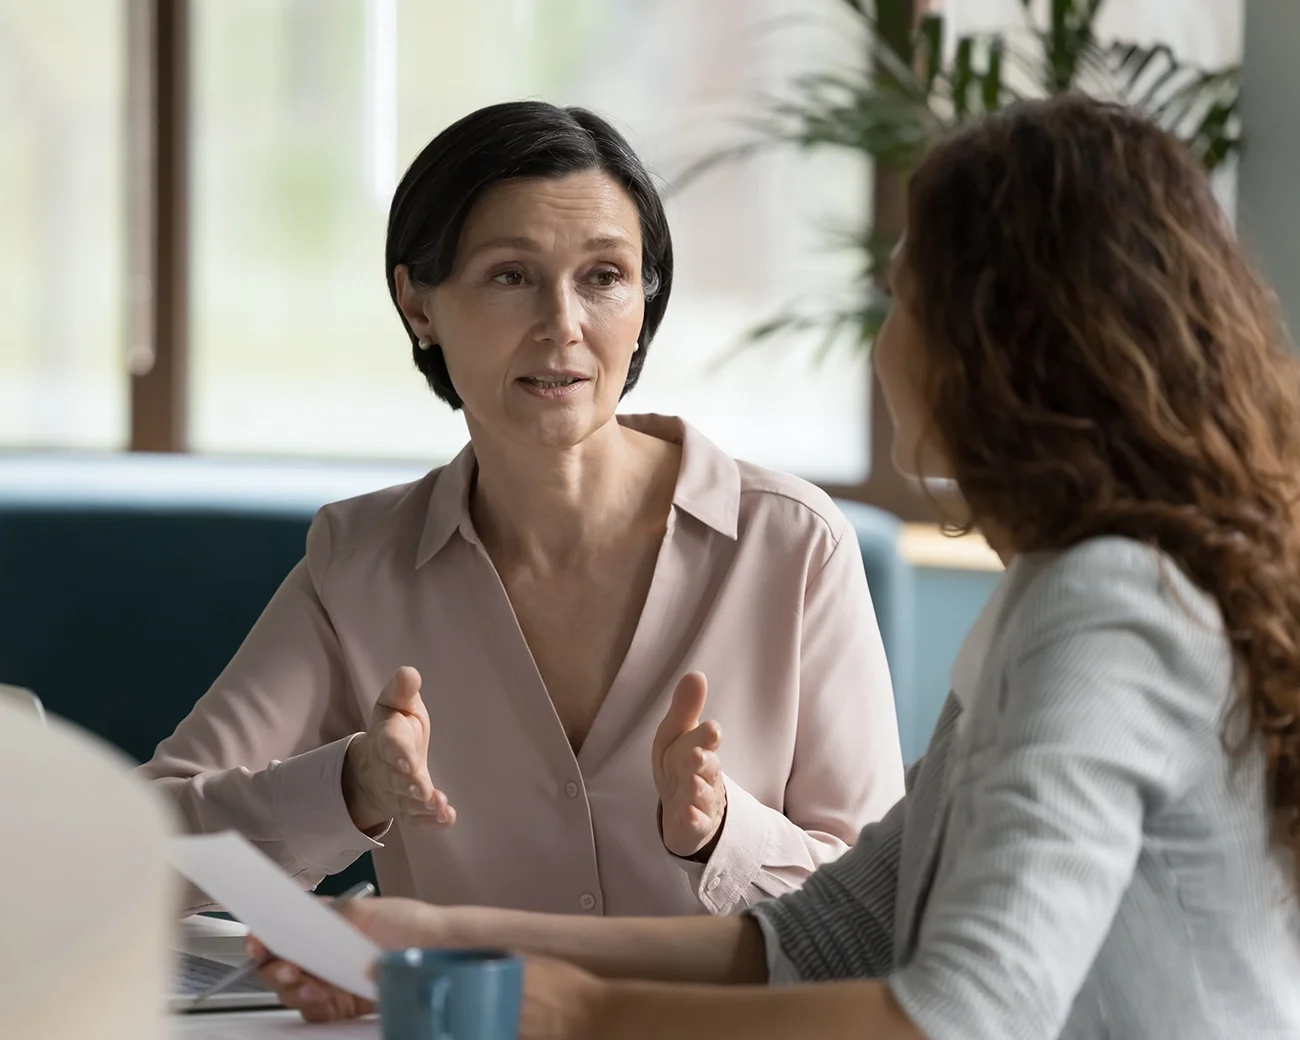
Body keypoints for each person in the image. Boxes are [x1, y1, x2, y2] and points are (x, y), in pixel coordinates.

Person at [255, 95, 1300, 1039]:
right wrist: (443, 933)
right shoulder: (1057, 588)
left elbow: (966, 1012)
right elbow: (829, 931)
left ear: (997, 343)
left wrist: (580, 1009)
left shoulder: (1105, 604)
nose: (883, 349)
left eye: (902, 302)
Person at [141, 101, 904, 919]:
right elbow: (147, 849)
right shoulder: (359, 562)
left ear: (644, 301)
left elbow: (881, 915)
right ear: (419, 304)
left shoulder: (793, 547)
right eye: (512, 276)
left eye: (604, 278)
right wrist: (352, 787)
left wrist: (723, 833)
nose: (564, 326)